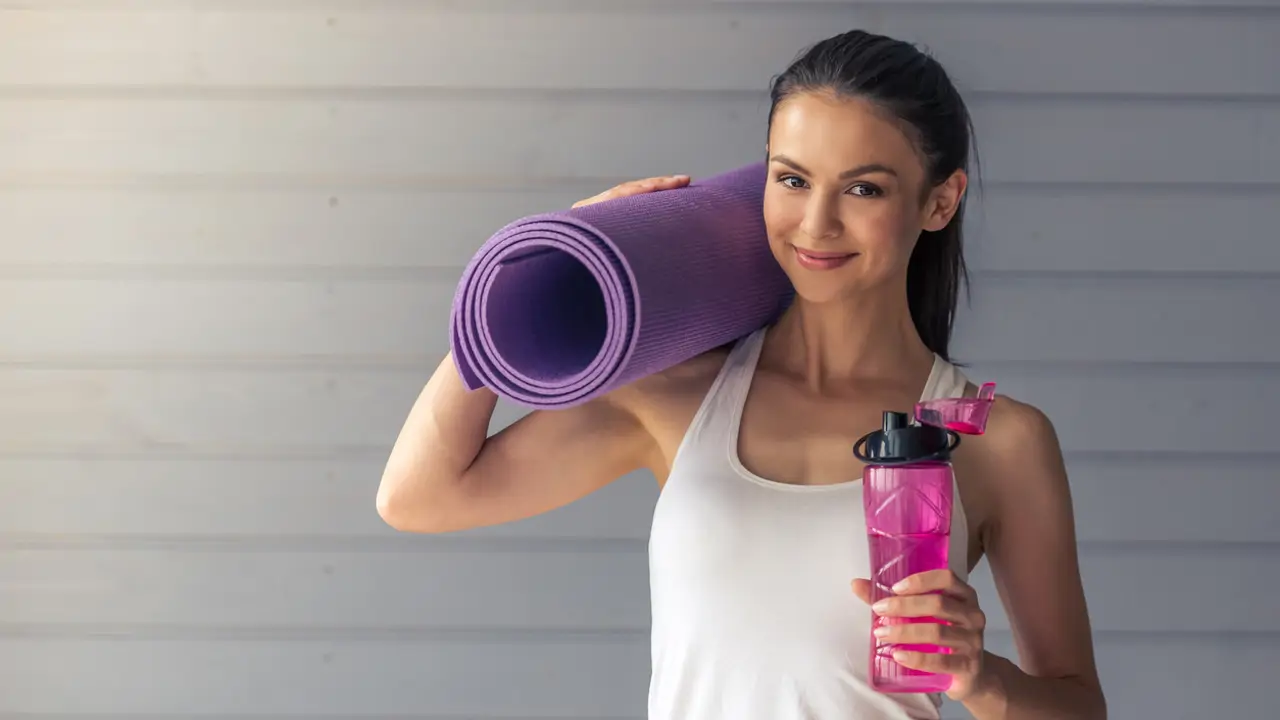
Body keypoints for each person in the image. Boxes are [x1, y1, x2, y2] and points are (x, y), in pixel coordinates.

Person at [376, 28, 1106, 720]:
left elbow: (1079, 706)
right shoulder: (676, 395)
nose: (815, 223)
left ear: (940, 200)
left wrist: (982, 679)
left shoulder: (995, 439)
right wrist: (518, 288)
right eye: (792, 179)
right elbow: (418, 497)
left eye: (863, 190)